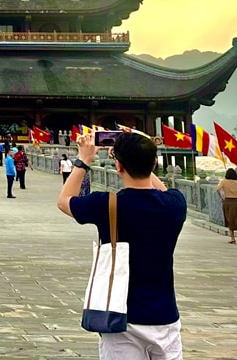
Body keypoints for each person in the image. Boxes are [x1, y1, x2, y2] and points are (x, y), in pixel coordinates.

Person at [57, 132, 187, 360]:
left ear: (118, 166)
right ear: (154, 163)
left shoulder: (106, 204)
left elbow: (64, 201)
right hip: (165, 318)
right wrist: (140, 155)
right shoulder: (176, 205)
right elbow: (160, 189)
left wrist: (84, 160)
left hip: (120, 317)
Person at [216, 168, 237, 244]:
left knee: (229, 219)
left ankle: (232, 238)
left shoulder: (224, 182)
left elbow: (218, 189)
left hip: (228, 201)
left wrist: (221, 197)